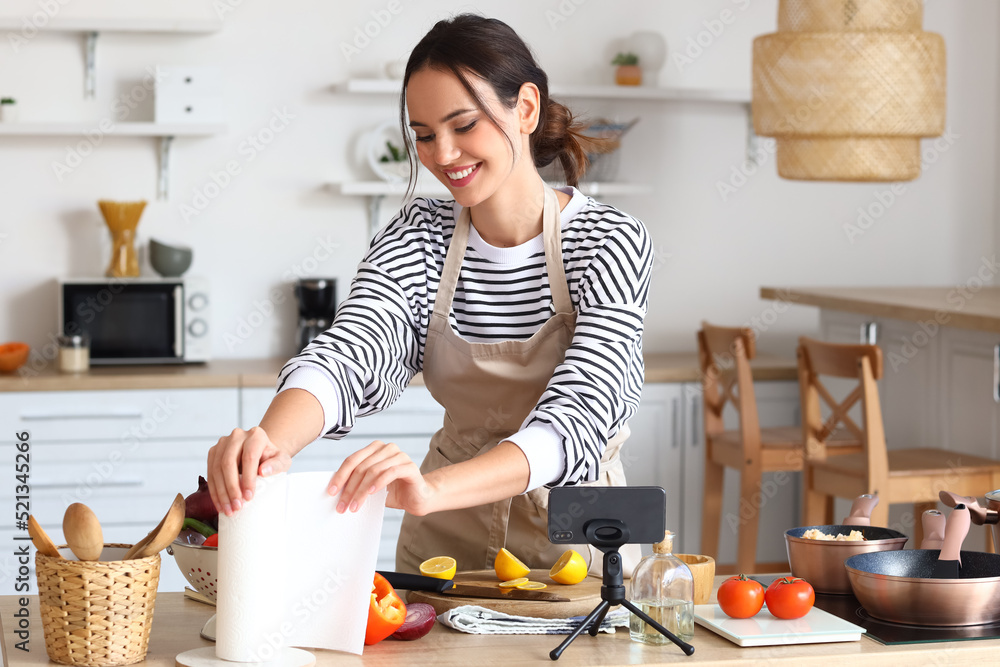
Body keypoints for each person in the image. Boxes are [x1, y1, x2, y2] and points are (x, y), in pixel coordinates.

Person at [206, 13, 652, 575]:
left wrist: (433, 488)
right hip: (443, 535)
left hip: (579, 527)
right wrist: (270, 445)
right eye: (422, 135)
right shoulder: (418, 235)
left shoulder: (610, 240)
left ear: (526, 109)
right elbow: (354, 348)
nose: (442, 154)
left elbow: (581, 413)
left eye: (463, 125)